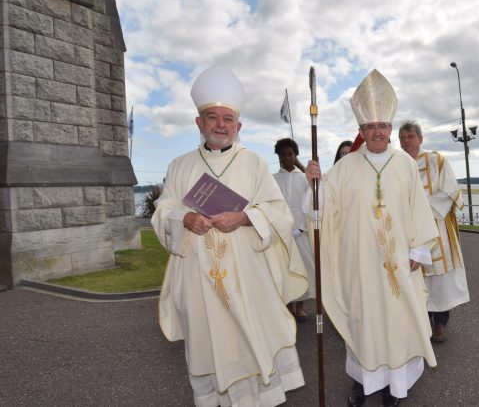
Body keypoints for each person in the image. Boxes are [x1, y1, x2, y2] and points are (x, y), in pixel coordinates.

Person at [152, 65, 308, 407]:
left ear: (238, 126)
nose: (220, 125)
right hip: (198, 281)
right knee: (208, 346)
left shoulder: (253, 164)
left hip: (247, 278)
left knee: (250, 347)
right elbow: (161, 213)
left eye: (227, 118)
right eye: (212, 117)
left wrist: (245, 217)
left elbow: (279, 212)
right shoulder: (179, 166)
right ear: (199, 123)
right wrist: (185, 217)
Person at [304, 70, 438, 407]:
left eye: (382, 125)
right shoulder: (346, 167)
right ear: (361, 131)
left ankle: (396, 387)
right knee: (364, 325)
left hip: (399, 265)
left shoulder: (405, 165)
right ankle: (364, 383)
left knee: (399, 324)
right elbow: (322, 213)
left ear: (390, 130)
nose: (376, 131)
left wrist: (418, 249)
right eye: (369, 127)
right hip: (360, 266)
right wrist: (315, 186)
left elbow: (419, 209)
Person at [398, 120, 470, 343]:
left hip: (437, 228)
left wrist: (422, 208)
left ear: (420, 139)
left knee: (440, 282)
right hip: (408, 231)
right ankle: (421, 323)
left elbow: (450, 191)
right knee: (415, 278)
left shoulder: (435, 160)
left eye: (409, 136)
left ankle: (440, 323)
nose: (405, 141)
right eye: (401, 138)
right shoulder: (396, 164)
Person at [273, 138, 316, 321]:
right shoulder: (273, 179)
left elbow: (311, 205)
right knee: (284, 270)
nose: (287, 158)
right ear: (278, 157)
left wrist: (302, 228)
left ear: (295, 155)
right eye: (283, 154)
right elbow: (272, 207)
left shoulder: (303, 179)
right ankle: (287, 306)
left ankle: (300, 306)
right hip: (281, 233)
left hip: (301, 232)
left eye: (290, 154)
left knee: (303, 269)